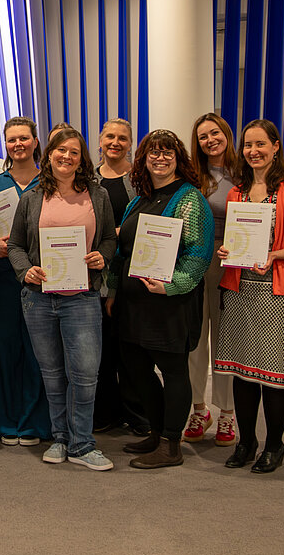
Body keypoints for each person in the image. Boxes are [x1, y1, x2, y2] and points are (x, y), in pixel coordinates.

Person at [8, 127, 117, 471]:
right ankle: (60, 438)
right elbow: (15, 246)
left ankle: (83, 444)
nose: (66, 157)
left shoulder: (96, 195)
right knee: (53, 374)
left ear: (81, 157)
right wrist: (25, 271)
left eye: (73, 151)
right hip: (40, 299)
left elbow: (110, 240)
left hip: (82, 298)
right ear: (49, 154)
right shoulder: (32, 197)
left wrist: (102, 256)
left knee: (84, 374)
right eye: (60, 150)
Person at [214, 119, 284, 474]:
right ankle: (246, 441)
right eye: (247, 145)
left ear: (275, 147)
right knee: (242, 375)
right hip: (238, 289)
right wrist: (228, 250)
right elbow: (234, 238)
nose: (253, 151)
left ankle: (275, 445)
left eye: (260, 144)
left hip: (276, 293)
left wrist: (275, 255)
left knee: (273, 378)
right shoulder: (236, 193)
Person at [108, 129, 214, 468]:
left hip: (169, 302)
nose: (160, 158)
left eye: (168, 152)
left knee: (173, 370)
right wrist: (112, 289)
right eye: (153, 153)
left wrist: (173, 286)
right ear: (143, 160)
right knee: (137, 370)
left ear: (178, 159)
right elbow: (122, 250)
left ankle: (172, 444)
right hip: (133, 302)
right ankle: (156, 432)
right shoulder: (139, 198)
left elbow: (198, 253)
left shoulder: (189, 198)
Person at [0, 117, 51, 447]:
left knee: (39, 352)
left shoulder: (50, 183)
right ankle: (5, 421)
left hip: (41, 279)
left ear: (36, 142)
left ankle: (35, 422)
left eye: (24, 138)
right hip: (2, 279)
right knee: (2, 348)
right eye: (11, 140)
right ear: (4, 145)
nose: (18, 144)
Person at [185, 112, 240, 445]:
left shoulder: (244, 173)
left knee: (224, 341)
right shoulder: (192, 176)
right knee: (193, 340)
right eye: (203, 136)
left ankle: (226, 414)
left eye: (215, 133)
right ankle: (198, 408)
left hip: (230, 263)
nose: (210, 140)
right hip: (194, 261)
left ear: (226, 134)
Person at [92, 118, 148, 436]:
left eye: (122, 138)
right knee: (102, 351)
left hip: (132, 274)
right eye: (110, 136)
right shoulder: (88, 180)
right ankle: (106, 413)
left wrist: (119, 235)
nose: (115, 142)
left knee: (132, 349)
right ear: (100, 140)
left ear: (131, 143)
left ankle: (136, 413)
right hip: (97, 274)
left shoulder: (141, 180)